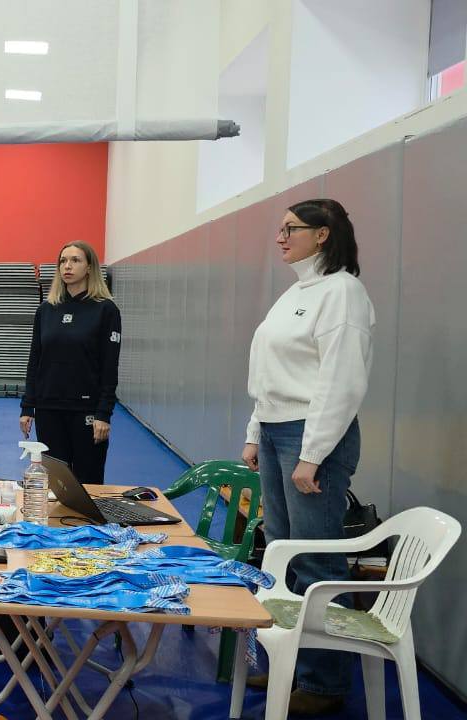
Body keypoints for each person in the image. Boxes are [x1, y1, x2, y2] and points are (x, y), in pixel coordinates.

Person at [240, 199, 373, 716]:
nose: (280, 237)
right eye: (279, 229)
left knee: (315, 560)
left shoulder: (343, 293)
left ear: (322, 234)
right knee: (281, 552)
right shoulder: (294, 293)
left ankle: (323, 684)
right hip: (278, 430)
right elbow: (270, 375)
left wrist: (312, 454)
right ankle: (290, 662)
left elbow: (342, 382)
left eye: (289, 229)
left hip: (311, 436)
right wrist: (255, 433)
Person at [19, 241, 121, 484]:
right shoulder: (46, 310)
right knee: (55, 484)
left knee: (88, 483)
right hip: (49, 409)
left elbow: (110, 367)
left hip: (87, 411)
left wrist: (103, 413)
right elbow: (35, 361)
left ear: (89, 267)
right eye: (63, 261)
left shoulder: (106, 310)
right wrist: (28, 407)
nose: (67, 266)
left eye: (75, 260)